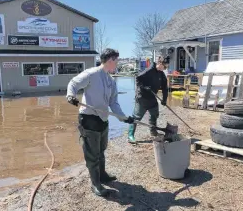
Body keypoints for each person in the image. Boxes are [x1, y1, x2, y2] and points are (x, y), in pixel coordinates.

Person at [66, 48, 135, 197]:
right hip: (89, 119)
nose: (117, 63)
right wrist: (71, 96)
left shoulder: (111, 80)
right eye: (116, 60)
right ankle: (95, 184)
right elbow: (73, 83)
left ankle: (102, 175)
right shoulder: (91, 74)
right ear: (110, 60)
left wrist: (124, 117)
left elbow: (114, 103)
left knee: (101, 150)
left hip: (103, 120)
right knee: (92, 154)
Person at [127, 56, 170, 144]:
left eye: (166, 67)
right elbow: (138, 78)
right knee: (136, 117)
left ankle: (153, 132)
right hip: (142, 97)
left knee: (154, 114)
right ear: (159, 63)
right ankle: (130, 136)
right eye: (164, 66)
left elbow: (165, 88)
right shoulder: (149, 70)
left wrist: (164, 99)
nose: (165, 68)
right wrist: (144, 87)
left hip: (152, 98)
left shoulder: (161, 74)